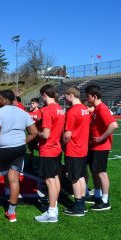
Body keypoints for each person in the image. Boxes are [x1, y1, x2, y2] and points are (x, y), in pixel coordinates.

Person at [0, 90, 37, 222]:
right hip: (19, 148)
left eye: (0, 98)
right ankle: (11, 213)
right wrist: (22, 142)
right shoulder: (23, 112)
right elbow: (34, 132)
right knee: (14, 179)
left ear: (5, 99)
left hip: (3, 149)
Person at [35, 84, 65, 223]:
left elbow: (45, 134)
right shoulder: (60, 109)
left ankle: (52, 212)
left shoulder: (47, 110)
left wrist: (36, 134)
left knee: (50, 180)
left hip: (48, 149)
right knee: (55, 178)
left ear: (44, 95)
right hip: (56, 148)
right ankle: (54, 207)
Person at [85, 85, 118, 211]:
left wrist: (101, 138)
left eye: (88, 96)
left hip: (101, 146)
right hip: (96, 146)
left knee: (101, 173)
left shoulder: (102, 108)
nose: (87, 99)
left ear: (94, 96)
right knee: (95, 171)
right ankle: (98, 195)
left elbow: (114, 125)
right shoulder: (97, 109)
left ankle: (105, 200)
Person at [62, 87, 90, 216]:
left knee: (74, 178)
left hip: (73, 148)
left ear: (71, 95)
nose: (65, 99)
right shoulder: (84, 109)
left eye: (66, 96)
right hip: (83, 148)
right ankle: (82, 203)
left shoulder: (72, 111)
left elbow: (67, 135)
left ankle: (78, 207)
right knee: (80, 176)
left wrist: (62, 143)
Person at [28, 98, 42, 167]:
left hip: (37, 134)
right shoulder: (29, 113)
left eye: (33, 103)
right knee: (31, 149)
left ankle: (40, 163)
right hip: (30, 134)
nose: (31, 104)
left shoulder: (40, 112)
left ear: (37, 104)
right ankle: (30, 162)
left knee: (40, 149)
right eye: (31, 103)